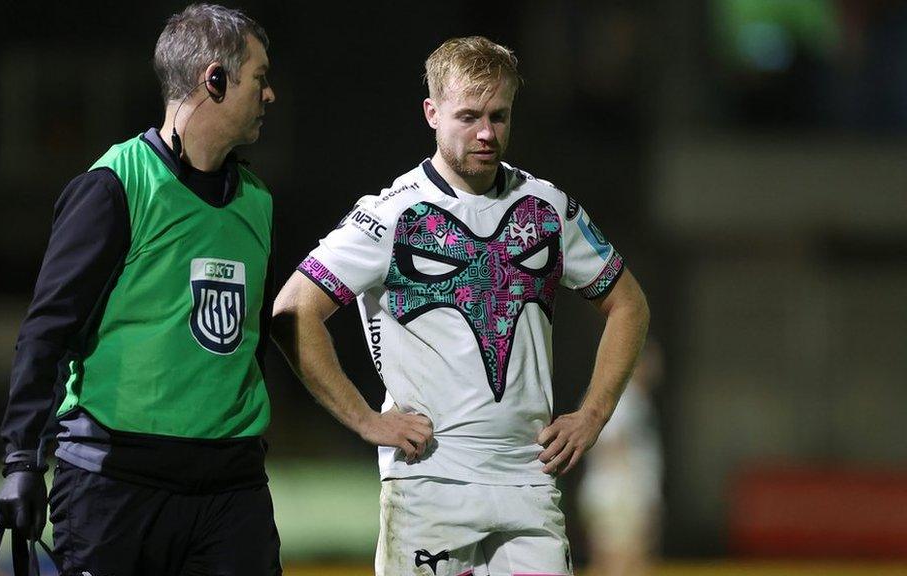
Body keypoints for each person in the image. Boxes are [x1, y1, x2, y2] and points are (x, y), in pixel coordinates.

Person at [272, 36, 650, 576]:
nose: (486, 133)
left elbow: (629, 304)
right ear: (431, 113)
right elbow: (292, 311)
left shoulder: (548, 209)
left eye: (499, 116)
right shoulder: (391, 215)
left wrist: (593, 416)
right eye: (468, 116)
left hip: (529, 482)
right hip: (429, 485)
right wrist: (362, 420)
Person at [0, 4, 281, 574]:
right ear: (214, 80)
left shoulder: (259, 201)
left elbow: (247, 342)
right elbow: (48, 330)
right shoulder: (114, 185)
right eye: (260, 78)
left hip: (232, 490)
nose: (270, 95)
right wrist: (22, 458)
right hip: (115, 488)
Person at [578, 338, 664, 576]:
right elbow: (608, 445)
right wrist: (634, 495)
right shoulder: (622, 399)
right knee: (622, 564)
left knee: (618, 564)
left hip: (618, 495)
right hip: (621, 496)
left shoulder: (636, 399)